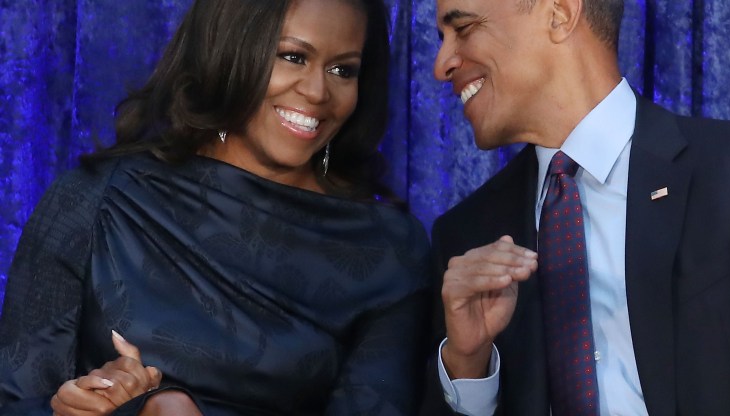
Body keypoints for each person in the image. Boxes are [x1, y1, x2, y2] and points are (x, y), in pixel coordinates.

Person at [0, 0, 432, 414]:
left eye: (343, 69)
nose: (318, 91)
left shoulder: (388, 252)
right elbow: (15, 401)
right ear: (228, 49)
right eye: (293, 57)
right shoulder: (96, 200)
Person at [419, 0, 730, 415]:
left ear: (559, 14)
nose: (441, 65)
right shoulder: (466, 236)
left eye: (464, 29)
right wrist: (469, 363)